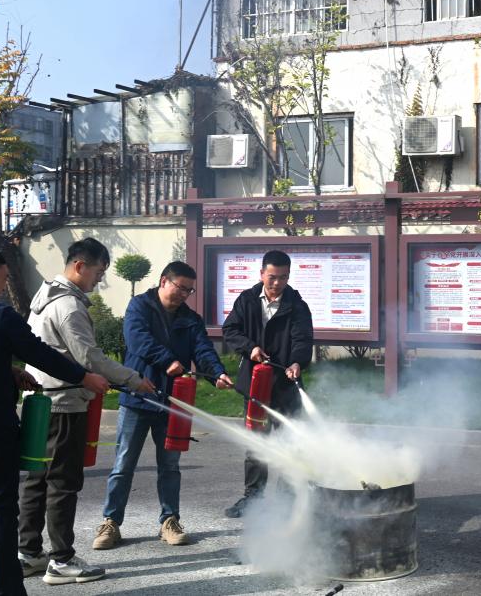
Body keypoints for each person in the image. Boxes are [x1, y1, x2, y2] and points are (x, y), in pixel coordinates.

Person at [0, 246, 110, 596]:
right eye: (3, 278)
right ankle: (7, 590)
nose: (3, 287)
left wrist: (7, 370)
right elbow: (40, 353)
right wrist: (84, 377)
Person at [17, 238, 156, 585]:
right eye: (99, 271)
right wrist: (133, 378)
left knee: (36, 479)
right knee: (63, 482)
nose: (100, 278)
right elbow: (89, 357)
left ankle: (28, 553)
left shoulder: (44, 297)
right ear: (79, 266)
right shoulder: (69, 306)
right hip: (63, 405)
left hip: (38, 401)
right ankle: (61, 560)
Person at [93, 261, 232, 550]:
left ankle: (170, 520)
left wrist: (217, 373)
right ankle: (111, 522)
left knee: (170, 465)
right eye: (180, 287)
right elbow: (137, 340)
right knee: (123, 464)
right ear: (163, 281)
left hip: (173, 402)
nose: (184, 294)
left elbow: (203, 349)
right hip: (137, 398)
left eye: (189, 290)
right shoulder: (139, 306)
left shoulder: (191, 319)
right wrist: (168, 360)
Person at [221, 250, 314, 518]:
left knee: (289, 444)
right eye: (272, 277)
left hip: (287, 386)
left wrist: (297, 362)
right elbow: (230, 330)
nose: (277, 283)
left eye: (283, 277)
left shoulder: (297, 306)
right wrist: (250, 348)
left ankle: (286, 500)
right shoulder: (247, 300)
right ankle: (253, 498)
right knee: (256, 444)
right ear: (262, 274)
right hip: (256, 385)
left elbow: (303, 340)